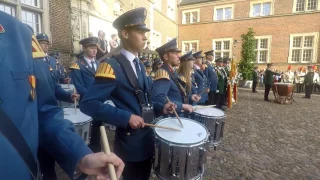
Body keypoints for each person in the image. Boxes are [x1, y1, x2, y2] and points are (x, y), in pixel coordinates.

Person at [0, 11, 124, 180]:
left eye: (96, 48)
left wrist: (81, 155)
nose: (94, 51)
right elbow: (73, 85)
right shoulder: (76, 64)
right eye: (91, 48)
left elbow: (44, 111)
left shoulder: (20, 34)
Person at [79, 7, 174, 180]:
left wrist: (163, 106)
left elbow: (145, 98)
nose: (145, 36)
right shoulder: (111, 66)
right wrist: (126, 117)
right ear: (125, 33)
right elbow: (88, 104)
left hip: (147, 138)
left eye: (145, 32)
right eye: (140, 31)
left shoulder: (140, 65)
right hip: (130, 145)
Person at [152, 38, 194, 117]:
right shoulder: (163, 73)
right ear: (166, 57)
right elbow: (159, 98)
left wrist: (190, 97)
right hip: (172, 117)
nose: (179, 56)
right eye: (175, 53)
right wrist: (182, 106)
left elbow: (175, 94)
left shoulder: (172, 72)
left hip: (178, 115)